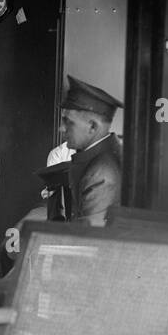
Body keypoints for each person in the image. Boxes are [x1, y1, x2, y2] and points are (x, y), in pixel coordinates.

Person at [56, 76, 124, 226]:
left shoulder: (101, 173)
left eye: (68, 122)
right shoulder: (99, 157)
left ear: (92, 127)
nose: (61, 128)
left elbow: (88, 239)